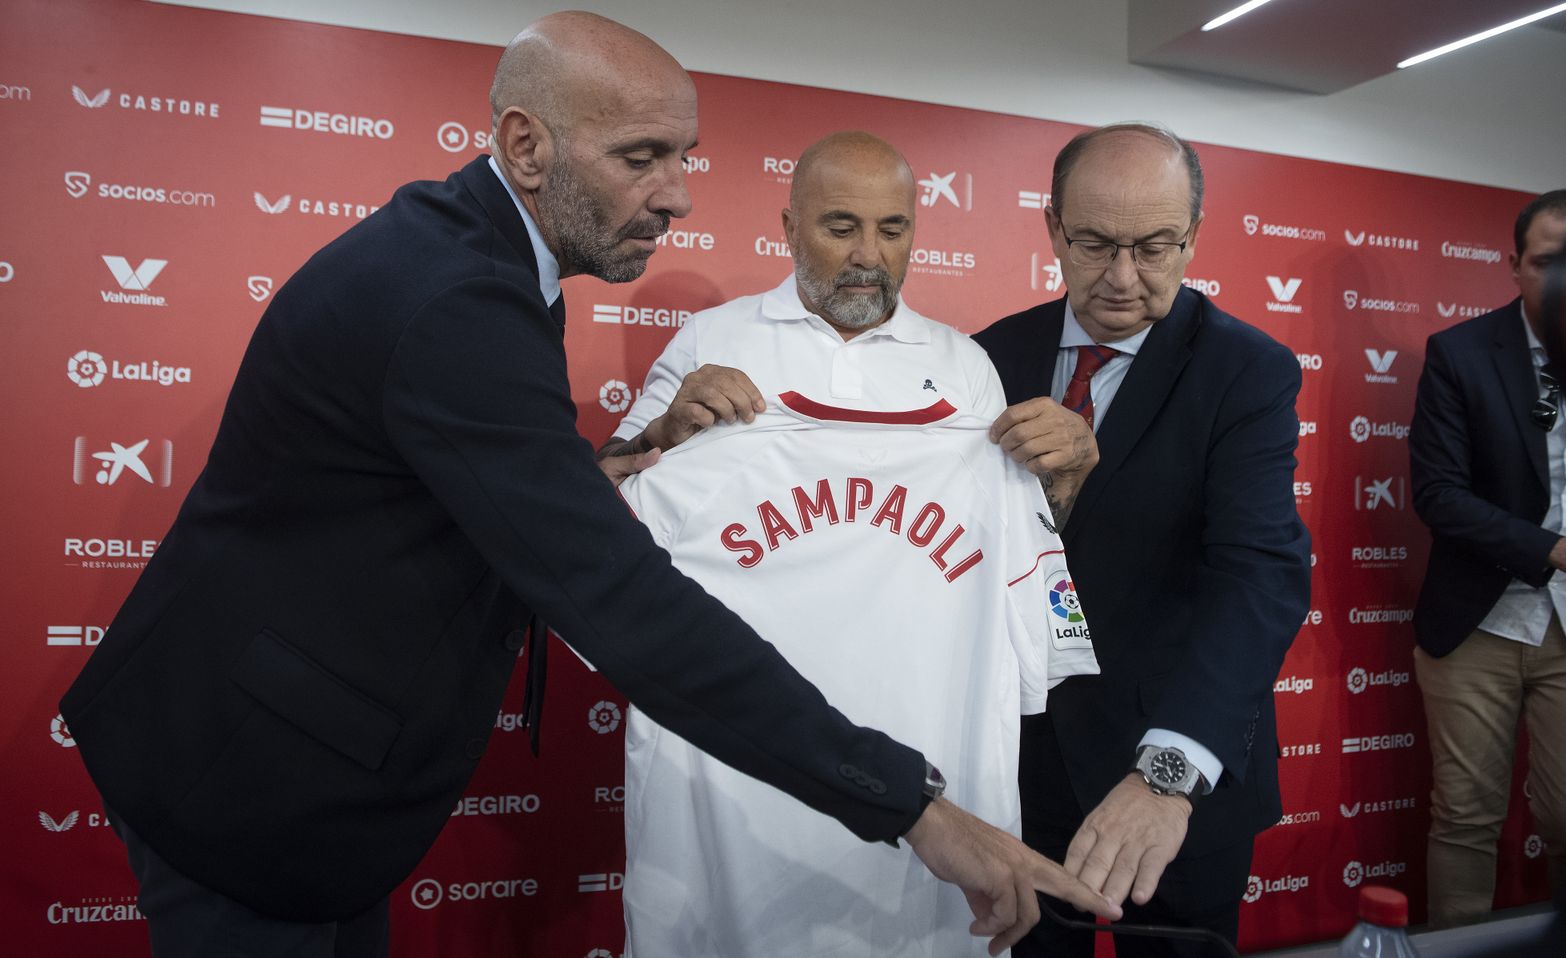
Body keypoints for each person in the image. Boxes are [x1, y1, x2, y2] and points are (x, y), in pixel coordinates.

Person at [58, 14, 1115, 957]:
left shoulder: (481, 257)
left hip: (299, 759)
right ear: (526, 145)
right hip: (247, 774)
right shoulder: (455, 302)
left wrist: (630, 453)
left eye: (682, 156)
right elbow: (621, 600)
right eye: (641, 157)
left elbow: (477, 475)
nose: (679, 194)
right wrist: (915, 807)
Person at [603, 131, 1100, 956]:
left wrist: (1064, 480)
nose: (869, 255)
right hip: (737, 776)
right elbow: (605, 507)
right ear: (789, 226)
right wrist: (666, 429)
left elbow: (1018, 540)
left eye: (893, 228)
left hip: (929, 764)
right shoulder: (708, 342)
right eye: (841, 227)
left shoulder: (966, 368)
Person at [971, 123, 1312, 956]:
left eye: (1155, 246)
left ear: (1193, 236)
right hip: (1020, 770)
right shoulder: (988, 355)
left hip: (1178, 777)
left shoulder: (1247, 370)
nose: (1123, 277)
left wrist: (1169, 774)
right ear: (1051, 228)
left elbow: (1259, 577)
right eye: (1092, 243)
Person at [1408, 187, 1566, 930]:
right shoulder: (1460, 353)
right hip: (1477, 625)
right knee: (1463, 819)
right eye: (1547, 263)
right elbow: (1439, 494)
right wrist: (1557, 553)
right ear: (1513, 265)